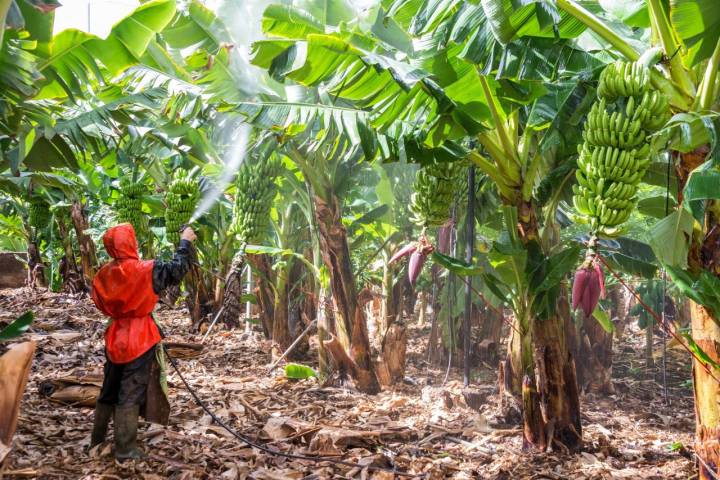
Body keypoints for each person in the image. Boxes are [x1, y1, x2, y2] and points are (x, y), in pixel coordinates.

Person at [89, 223, 196, 460]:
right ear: (130, 243)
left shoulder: (103, 273)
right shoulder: (146, 269)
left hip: (115, 335)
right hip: (140, 336)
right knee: (130, 391)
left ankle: (96, 439)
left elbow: (97, 301)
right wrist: (185, 242)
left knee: (109, 388)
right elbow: (177, 270)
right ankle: (125, 448)